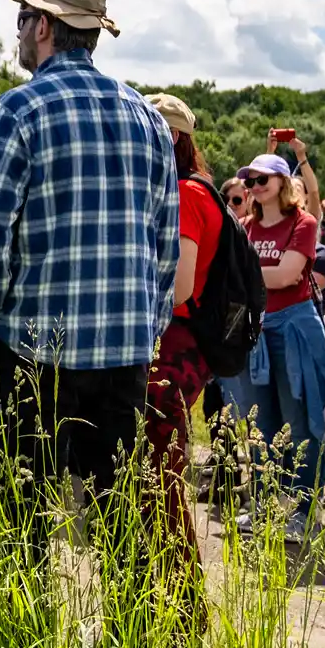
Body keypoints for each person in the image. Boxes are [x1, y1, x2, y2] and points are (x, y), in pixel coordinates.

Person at [0, 0, 180, 571]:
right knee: (123, 526)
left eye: (23, 21)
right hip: (123, 355)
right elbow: (165, 247)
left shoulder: (15, 111)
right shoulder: (147, 117)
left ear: (46, 27)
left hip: (32, 352)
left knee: (19, 525)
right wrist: (146, 328)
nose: (19, 34)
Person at [228, 151, 325, 542]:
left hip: (294, 328)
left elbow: (288, 274)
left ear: (281, 183)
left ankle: (304, 510)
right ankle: (264, 506)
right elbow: (252, 275)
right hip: (258, 329)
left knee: (303, 420)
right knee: (261, 423)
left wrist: (244, 273)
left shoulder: (302, 223)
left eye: (264, 180)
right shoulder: (245, 226)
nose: (256, 187)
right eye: (251, 181)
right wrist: (249, 274)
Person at [139, 94, 222, 611]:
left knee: (159, 486)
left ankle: (179, 611)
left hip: (176, 341)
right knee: (160, 474)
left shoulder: (186, 194)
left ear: (168, 138)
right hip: (175, 344)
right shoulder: (187, 190)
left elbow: (183, 285)